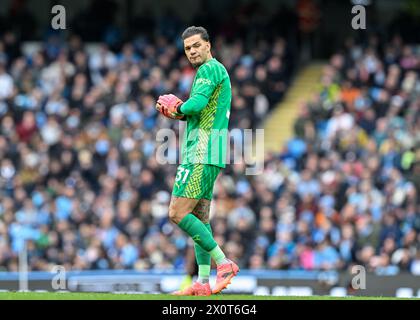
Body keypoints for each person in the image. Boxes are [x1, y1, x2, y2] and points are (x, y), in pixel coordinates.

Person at [155, 26, 239, 296]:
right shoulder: (214, 72)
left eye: (195, 46)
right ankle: (203, 281)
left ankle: (223, 262)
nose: (191, 51)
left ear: (208, 45)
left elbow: (195, 106)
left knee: (177, 213)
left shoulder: (209, 69)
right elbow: (195, 111)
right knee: (199, 219)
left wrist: (177, 107)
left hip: (201, 153)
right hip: (209, 153)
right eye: (187, 48)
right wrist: (179, 113)